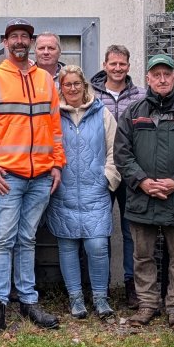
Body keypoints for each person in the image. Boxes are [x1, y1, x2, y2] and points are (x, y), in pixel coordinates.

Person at [0, 18, 66, 338]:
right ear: (6, 42)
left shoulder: (45, 79)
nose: (20, 41)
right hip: (6, 176)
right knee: (2, 240)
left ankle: (28, 300)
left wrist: (57, 164)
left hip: (41, 175)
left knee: (27, 239)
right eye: (14, 37)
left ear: (31, 42)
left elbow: (55, 127)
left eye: (25, 36)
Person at [114, 54, 174, 331]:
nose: (162, 79)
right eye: (156, 75)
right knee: (142, 257)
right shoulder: (133, 112)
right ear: (148, 78)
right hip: (142, 198)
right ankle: (148, 304)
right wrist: (142, 181)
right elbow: (122, 153)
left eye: (167, 74)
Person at [46, 65, 120, 320]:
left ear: (84, 85)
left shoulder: (101, 112)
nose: (73, 88)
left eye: (77, 83)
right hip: (63, 191)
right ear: (61, 87)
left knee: (97, 245)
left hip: (95, 190)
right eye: (67, 84)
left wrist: (108, 177)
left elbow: (115, 148)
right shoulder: (53, 114)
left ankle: (100, 297)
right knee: (67, 247)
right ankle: (75, 298)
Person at [89, 44, 147, 308]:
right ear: (105, 65)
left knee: (130, 230)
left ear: (128, 66)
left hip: (132, 172)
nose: (117, 68)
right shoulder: (91, 95)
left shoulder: (141, 95)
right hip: (100, 171)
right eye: (113, 63)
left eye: (122, 64)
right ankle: (99, 286)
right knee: (99, 229)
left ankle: (131, 285)